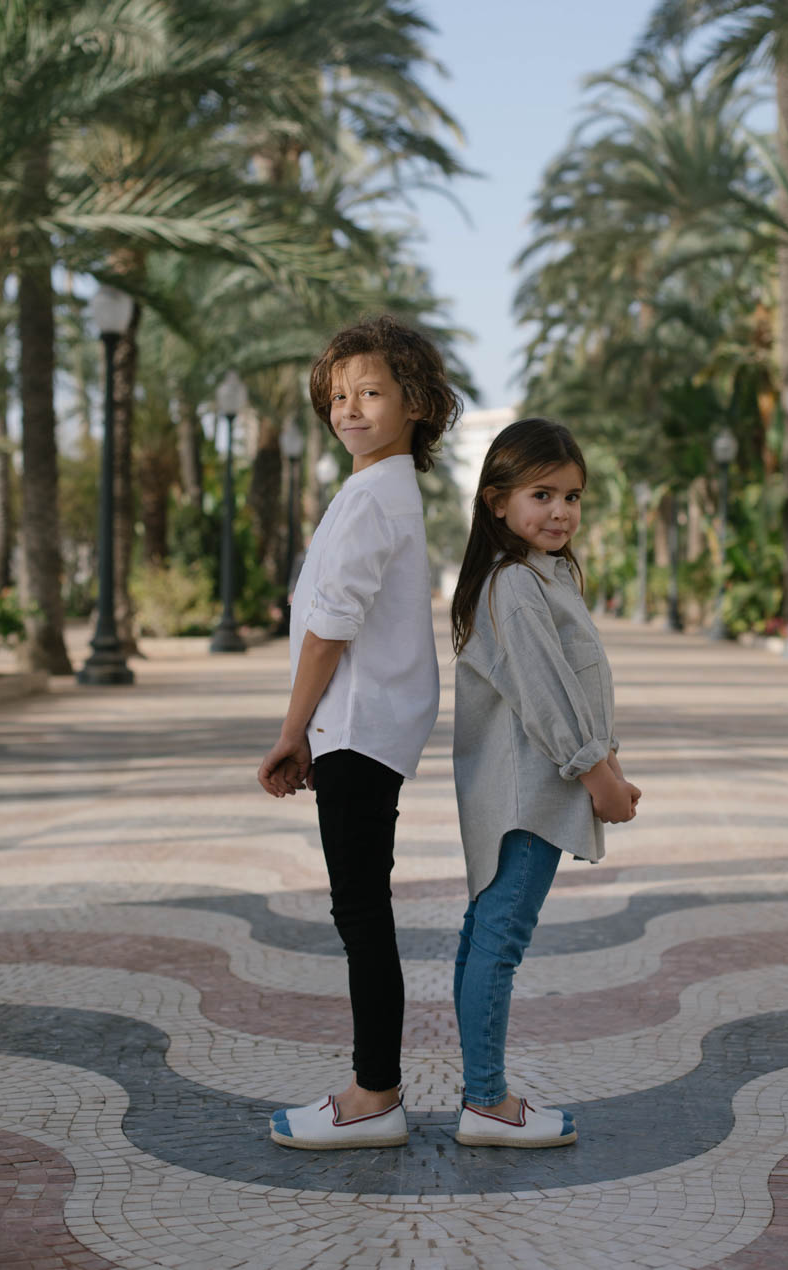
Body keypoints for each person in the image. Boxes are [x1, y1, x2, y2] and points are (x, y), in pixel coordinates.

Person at [258, 314, 461, 1150]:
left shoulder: (377, 495)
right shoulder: (377, 488)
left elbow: (331, 624)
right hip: (360, 728)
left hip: (356, 731)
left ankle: (375, 1093)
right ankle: (373, 1086)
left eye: (370, 392)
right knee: (361, 912)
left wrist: (290, 730)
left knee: (361, 915)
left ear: (416, 402)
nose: (349, 409)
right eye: (338, 395)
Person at [450, 417, 641, 1147]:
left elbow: (575, 687)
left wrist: (610, 765)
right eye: (542, 494)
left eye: (573, 496)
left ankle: (482, 1097)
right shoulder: (516, 585)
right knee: (500, 940)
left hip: (527, 791)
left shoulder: (543, 579)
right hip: (527, 798)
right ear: (497, 502)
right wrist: (599, 778)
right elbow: (547, 698)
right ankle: (486, 1103)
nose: (561, 511)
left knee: (487, 937)